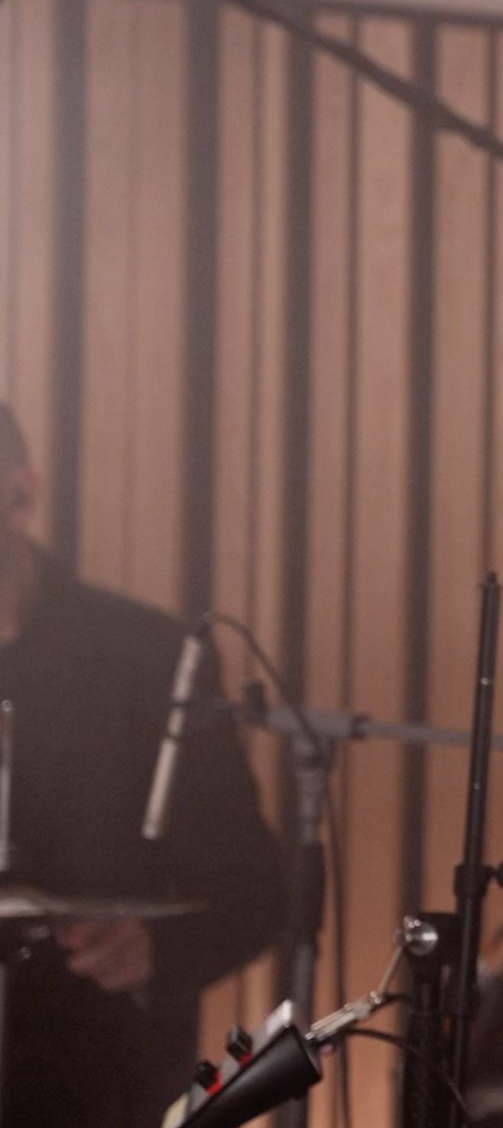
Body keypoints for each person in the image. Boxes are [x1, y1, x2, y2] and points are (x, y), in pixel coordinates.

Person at [0, 402, 286, 1126]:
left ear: (20, 493)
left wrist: (154, 948)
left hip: (87, 1080)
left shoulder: (147, 658)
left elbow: (255, 886)